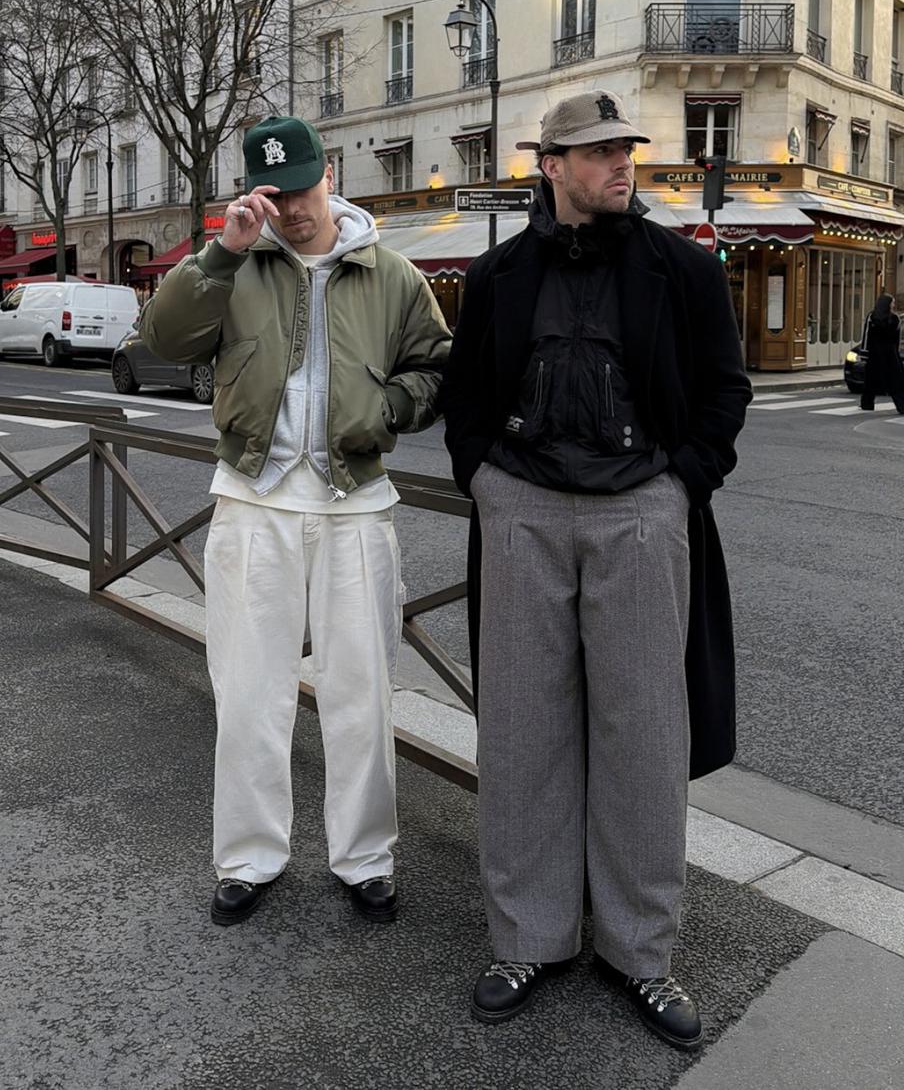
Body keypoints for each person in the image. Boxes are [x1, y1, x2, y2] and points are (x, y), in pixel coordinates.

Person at [439, 90, 751, 1050]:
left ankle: (640, 955)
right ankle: (528, 937)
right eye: (597, 152)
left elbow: (724, 391)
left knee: (644, 734)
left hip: (640, 514)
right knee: (525, 729)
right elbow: (466, 396)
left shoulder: (683, 271)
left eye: (624, 148)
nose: (620, 164)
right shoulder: (496, 274)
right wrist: (486, 482)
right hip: (523, 510)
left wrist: (679, 487)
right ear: (552, 166)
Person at [141, 115, 451, 926]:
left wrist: (387, 406)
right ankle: (248, 857)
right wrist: (220, 251)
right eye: (278, 196)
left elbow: (435, 367)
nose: (297, 210)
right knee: (248, 692)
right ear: (256, 194)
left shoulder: (390, 273)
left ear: (331, 175)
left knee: (363, 694)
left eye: (307, 189)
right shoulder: (236, 263)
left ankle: (365, 858)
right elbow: (165, 338)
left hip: (356, 504)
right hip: (253, 499)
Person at [860, 292, 904, 413]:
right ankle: (901, 406)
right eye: (893, 302)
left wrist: (864, 353)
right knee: (896, 381)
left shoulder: (872, 317)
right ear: (888, 304)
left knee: (871, 380)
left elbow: (867, 336)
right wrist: (896, 353)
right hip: (890, 353)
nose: (894, 305)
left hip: (875, 353)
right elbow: (896, 339)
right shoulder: (895, 319)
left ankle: (867, 404)